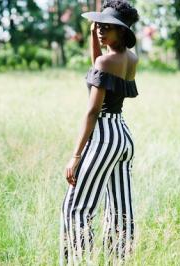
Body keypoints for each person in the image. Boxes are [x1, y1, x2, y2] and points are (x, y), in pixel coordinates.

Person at [59, 1, 140, 265]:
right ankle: (119, 261)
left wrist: (75, 156)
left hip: (103, 136)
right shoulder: (131, 58)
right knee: (120, 211)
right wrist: (96, 36)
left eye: (108, 28)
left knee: (75, 208)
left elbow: (92, 111)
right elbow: (100, 68)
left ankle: (78, 262)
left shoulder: (107, 62)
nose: (102, 31)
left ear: (122, 31)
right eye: (100, 26)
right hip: (123, 137)